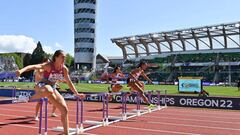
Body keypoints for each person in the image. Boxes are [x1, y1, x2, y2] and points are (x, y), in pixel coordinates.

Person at [16, 50, 85, 135]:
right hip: (42, 85)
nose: (64, 59)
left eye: (65, 57)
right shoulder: (48, 65)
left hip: (53, 88)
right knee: (49, 90)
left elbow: (69, 82)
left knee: (64, 110)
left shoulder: (64, 69)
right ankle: (27, 98)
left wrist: (76, 93)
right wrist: (21, 71)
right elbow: (33, 66)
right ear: (56, 57)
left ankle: (66, 133)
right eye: (62, 57)